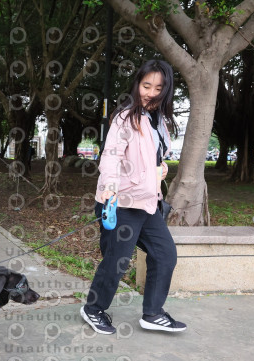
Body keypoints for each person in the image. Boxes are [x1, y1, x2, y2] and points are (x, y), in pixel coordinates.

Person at [80, 59, 186, 335]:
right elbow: (111, 156)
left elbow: (152, 156)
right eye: (146, 85)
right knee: (117, 260)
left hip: (148, 203)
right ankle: (93, 309)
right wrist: (110, 187)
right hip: (121, 203)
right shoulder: (125, 117)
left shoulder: (160, 121)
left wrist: (161, 167)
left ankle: (153, 313)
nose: (151, 93)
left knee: (165, 255)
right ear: (137, 83)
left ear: (166, 90)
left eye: (158, 88)